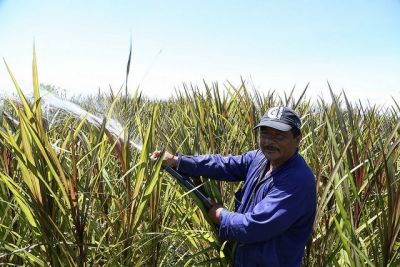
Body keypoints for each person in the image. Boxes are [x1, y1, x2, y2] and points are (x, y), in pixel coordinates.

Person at [151, 106, 316, 267]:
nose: (269, 142)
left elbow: (253, 227)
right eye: (264, 133)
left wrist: (220, 215)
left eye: (279, 136)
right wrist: (178, 161)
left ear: (297, 138)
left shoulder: (296, 181)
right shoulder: (259, 158)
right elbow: (223, 165)